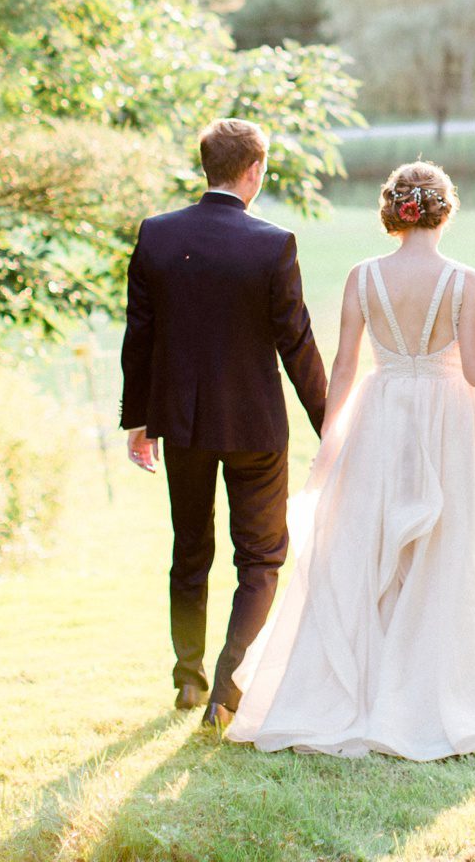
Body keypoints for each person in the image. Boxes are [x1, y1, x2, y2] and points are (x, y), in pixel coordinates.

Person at [225, 160, 475, 758]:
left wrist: (332, 440)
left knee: (368, 551)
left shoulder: (361, 277)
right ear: (444, 209)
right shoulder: (463, 280)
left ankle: (361, 692)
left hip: (379, 416)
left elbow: (345, 368)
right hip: (449, 422)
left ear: (393, 210)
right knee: (445, 551)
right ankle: (428, 692)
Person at [119, 118, 327, 730]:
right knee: (260, 560)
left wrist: (140, 420)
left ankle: (188, 680)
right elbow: (298, 344)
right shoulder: (273, 242)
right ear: (254, 171)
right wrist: (330, 425)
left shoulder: (157, 235)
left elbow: (141, 336)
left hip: (181, 425)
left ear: (207, 166)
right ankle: (228, 692)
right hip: (256, 428)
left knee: (190, 548)